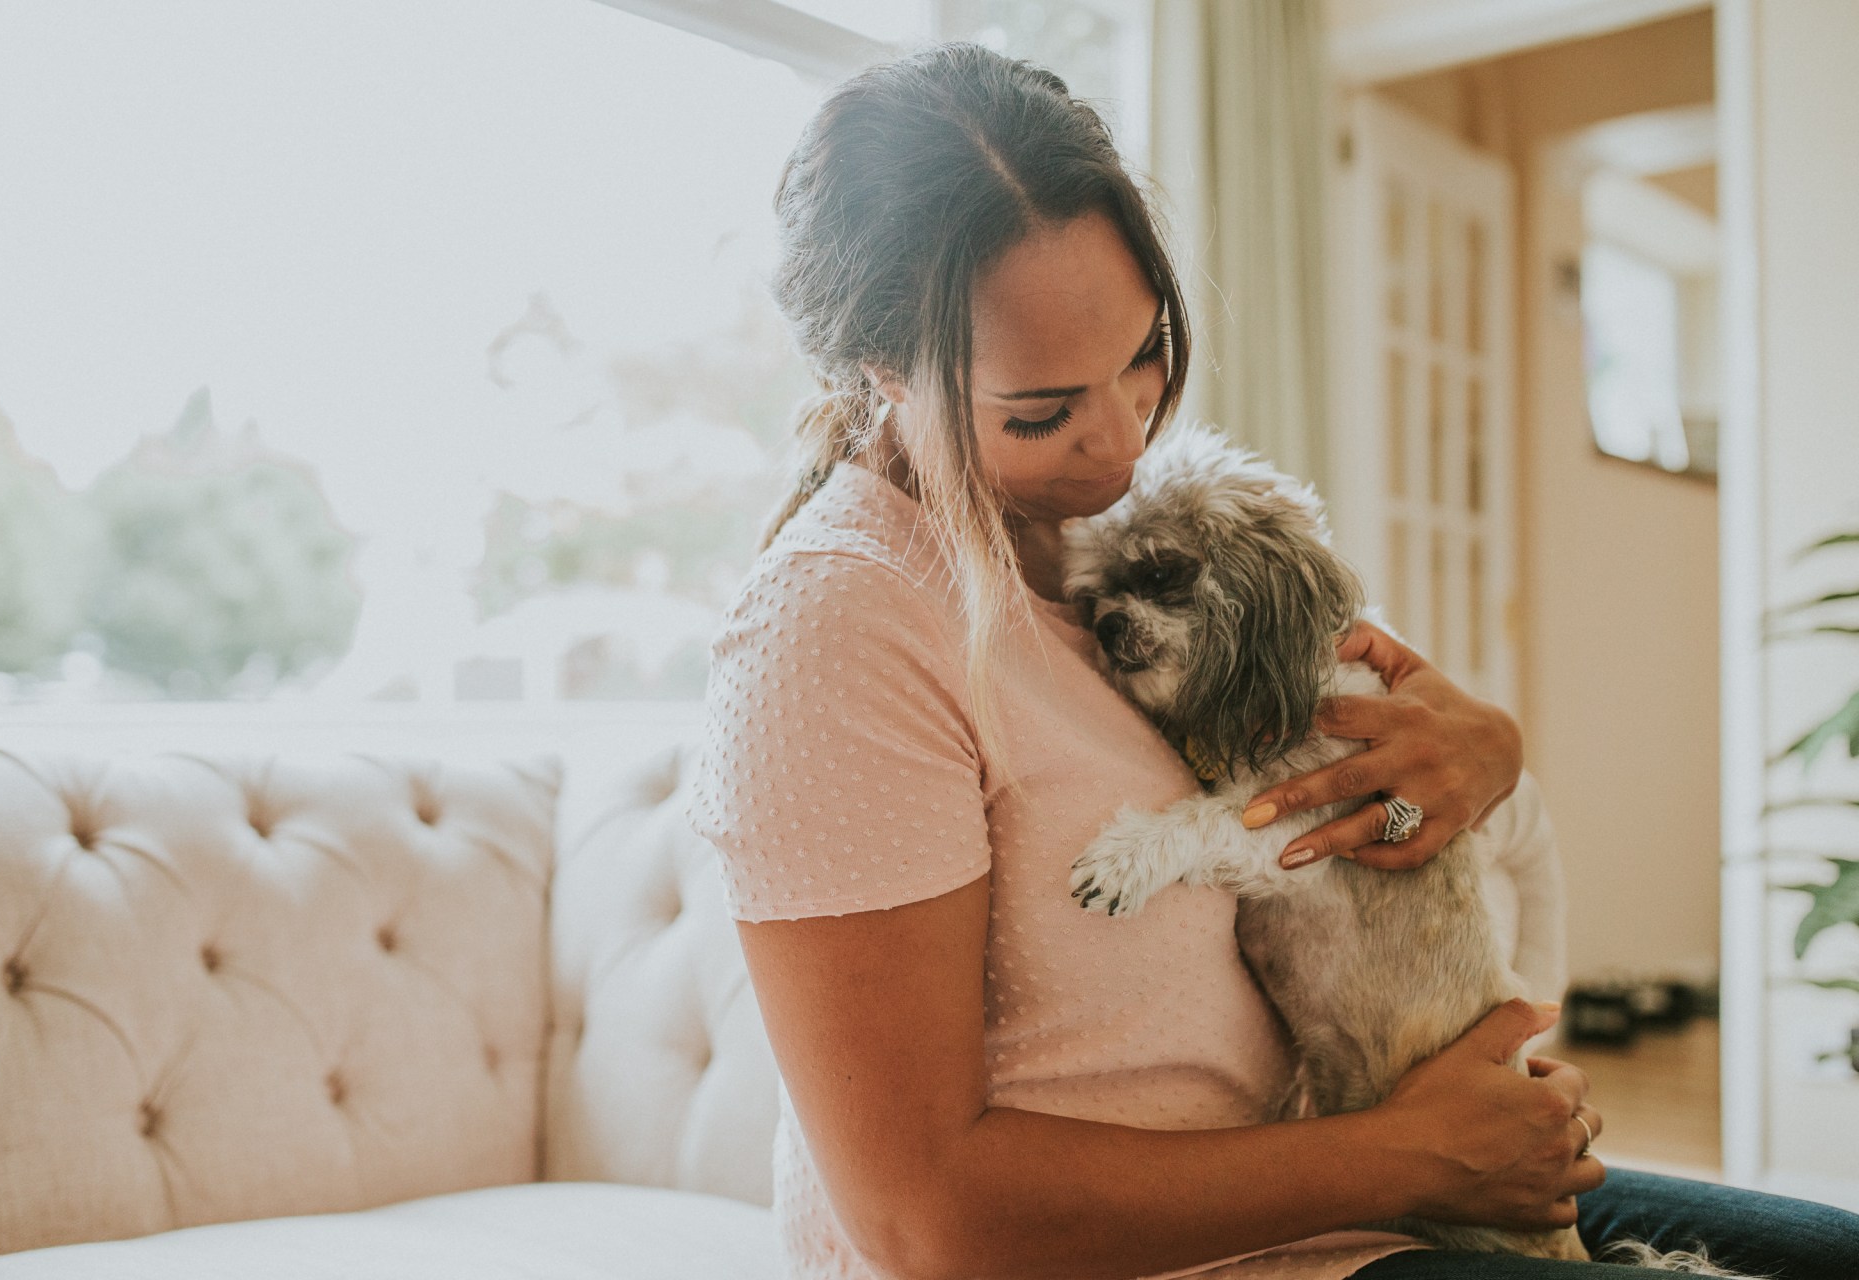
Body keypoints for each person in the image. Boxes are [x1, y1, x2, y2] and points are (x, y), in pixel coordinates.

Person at [686, 40, 1859, 1280]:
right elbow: (929, 1221)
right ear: (879, 379)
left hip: (1331, 1187)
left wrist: (1480, 755)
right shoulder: (838, 628)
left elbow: (1358, 746)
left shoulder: (1098, 534)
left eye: (1142, 359)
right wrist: (1409, 1153)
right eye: (1043, 411)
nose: (1121, 441)